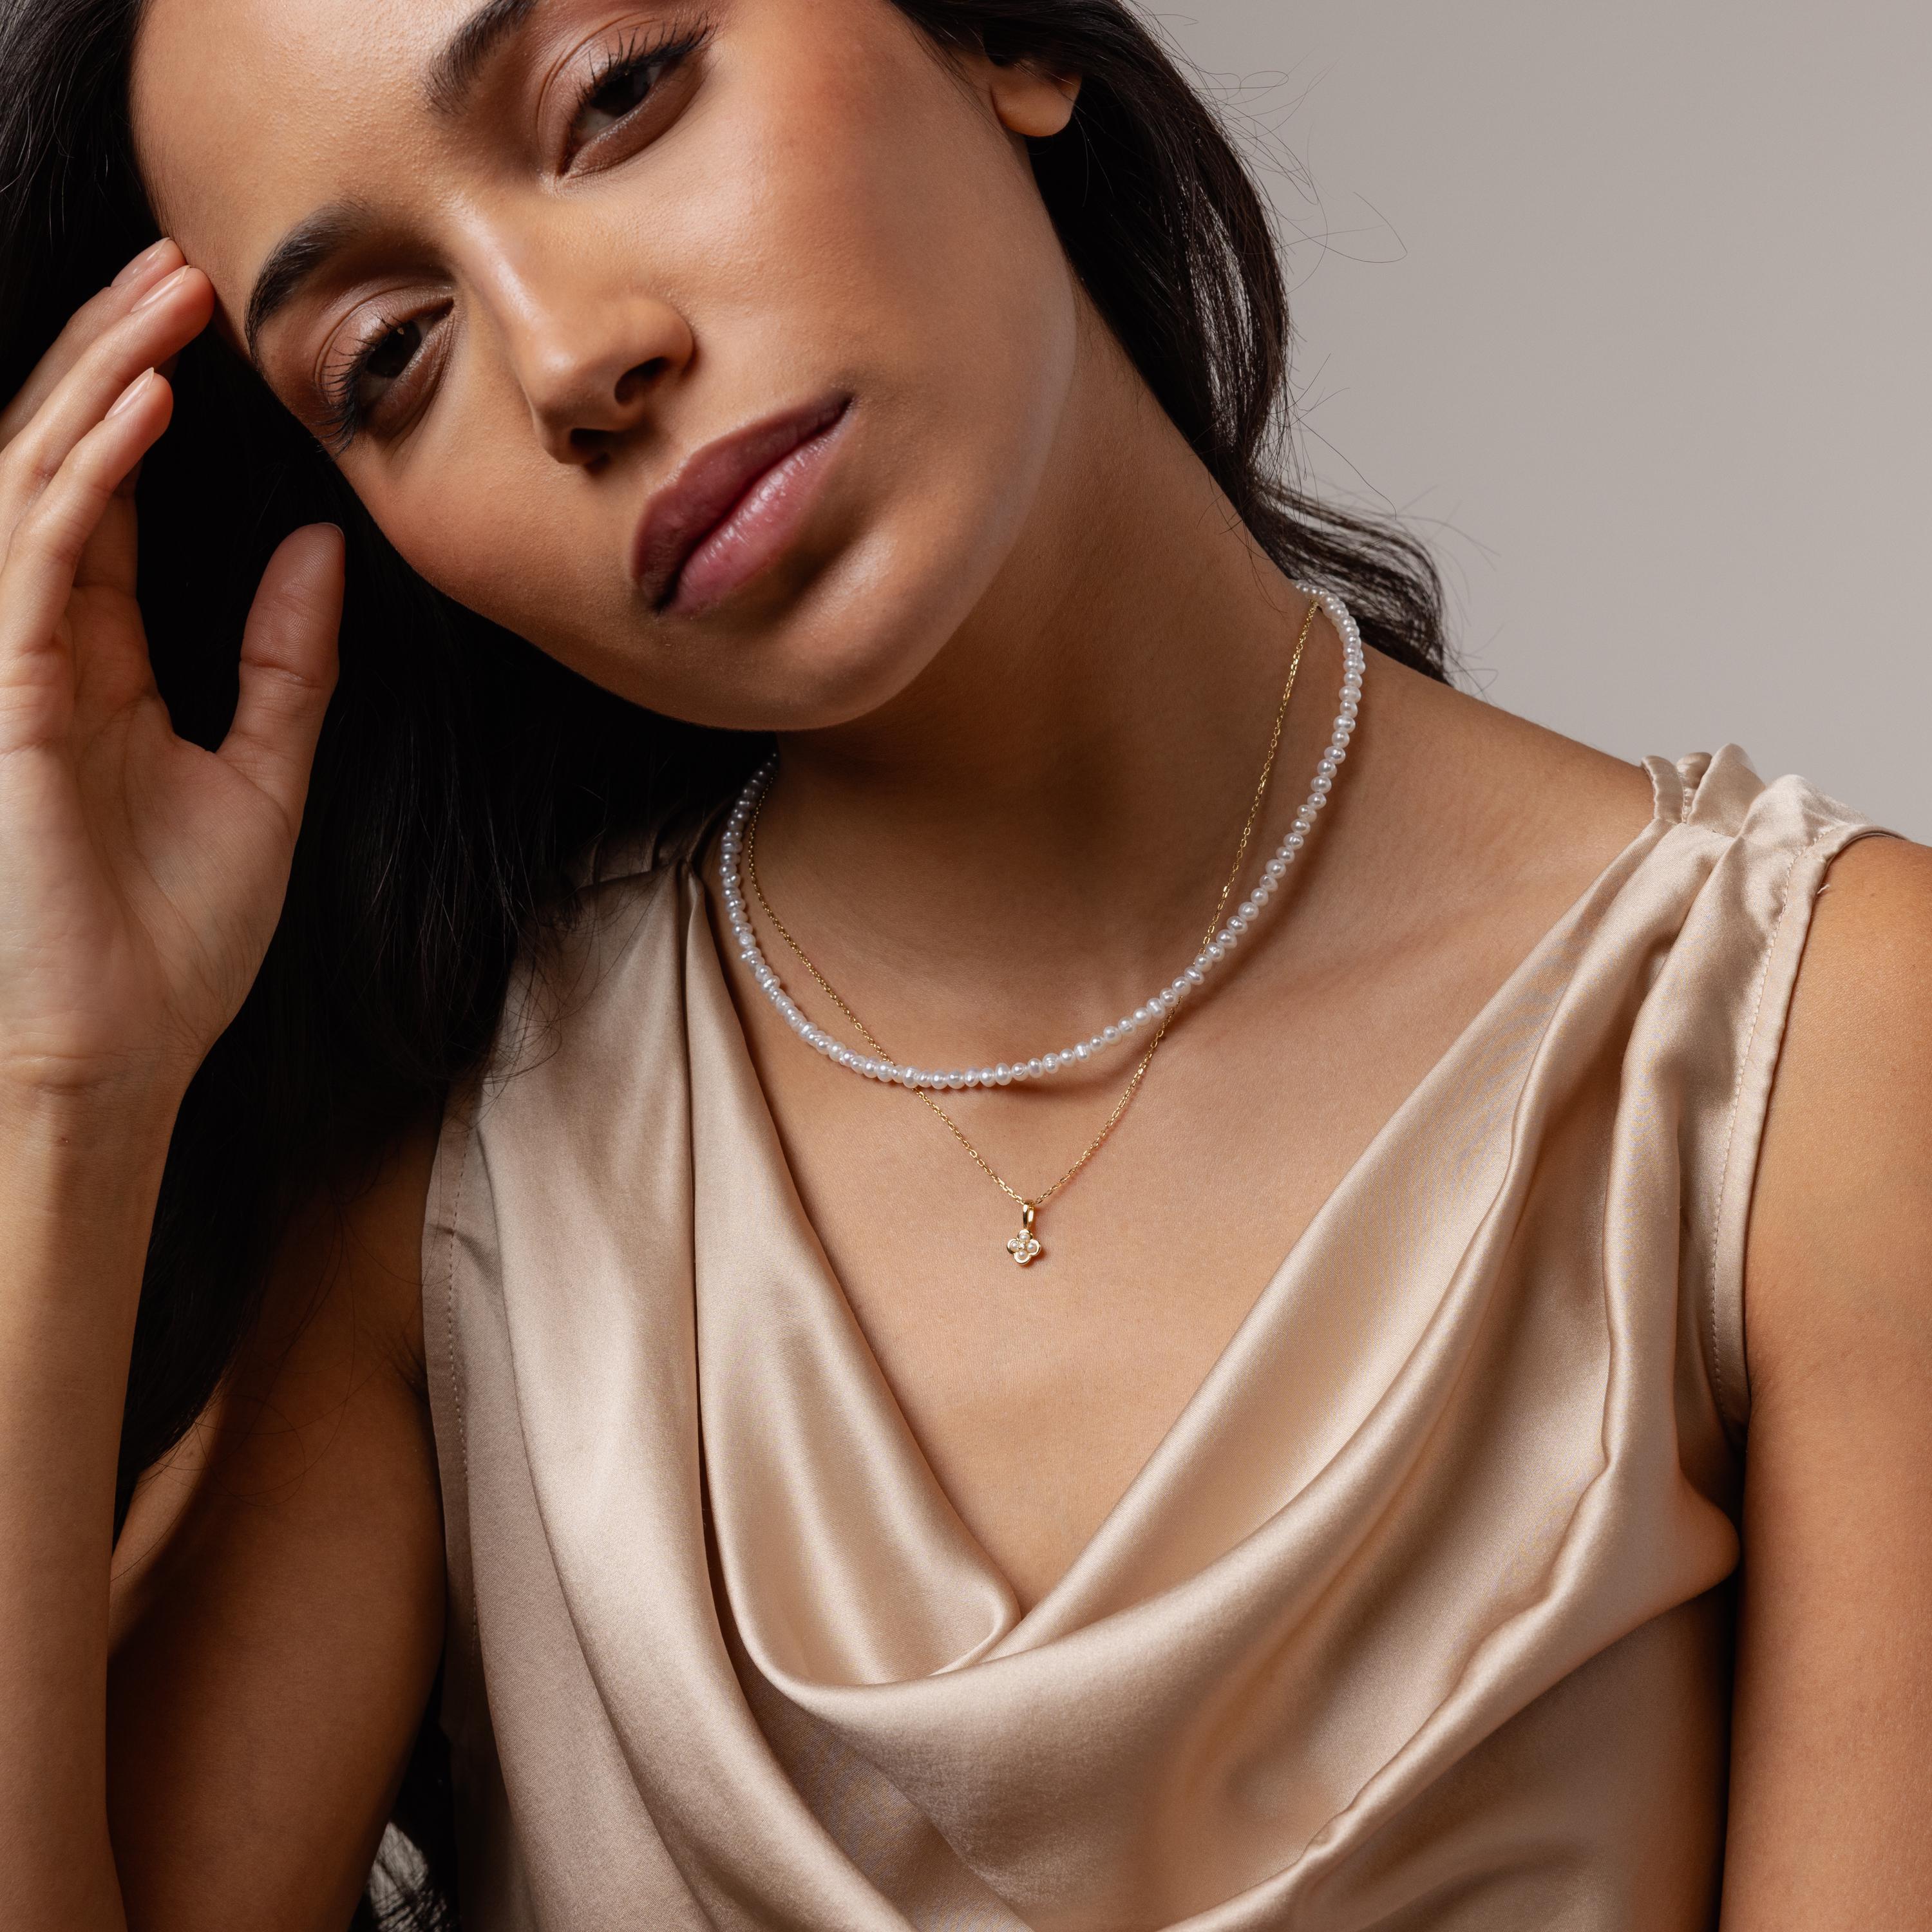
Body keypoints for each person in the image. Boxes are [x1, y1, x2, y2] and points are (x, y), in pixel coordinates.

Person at [1, 0, 1927, 1926]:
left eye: (615, 93)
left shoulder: (1817, 1060)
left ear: (1001, 37)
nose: (573, 357)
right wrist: (60, 1101)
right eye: (390, 356)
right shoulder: (454, 1187)